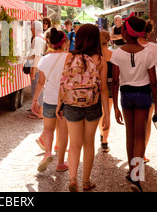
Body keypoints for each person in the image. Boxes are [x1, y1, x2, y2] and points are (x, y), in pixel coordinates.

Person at [110, 15, 157, 192]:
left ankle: (131, 171)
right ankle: (136, 177)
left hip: (126, 95)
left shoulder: (117, 53)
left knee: (129, 134)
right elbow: (154, 82)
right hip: (143, 95)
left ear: (126, 32)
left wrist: (116, 107)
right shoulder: (148, 53)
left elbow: (115, 82)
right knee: (140, 136)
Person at [56, 24, 110, 192]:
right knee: (89, 143)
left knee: (74, 144)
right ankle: (86, 181)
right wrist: (107, 115)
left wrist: (59, 104)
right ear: (95, 39)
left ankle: (73, 179)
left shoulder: (70, 57)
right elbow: (103, 90)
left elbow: (63, 81)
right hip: (92, 105)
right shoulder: (100, 60)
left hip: (71, 104)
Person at [32, 28, 69, 172]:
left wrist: (35, 101)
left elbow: (41, 82)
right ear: (64, 42)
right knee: (63, 130)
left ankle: (47, 153)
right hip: (65, 100)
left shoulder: (44, 59)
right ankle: (60, 163)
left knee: (48, 129)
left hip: (49, 99)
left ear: (51, 43)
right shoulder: (69, 57)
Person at [137, 19, 157, 163]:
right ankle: (141, 154)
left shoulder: (128, 47)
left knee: (133, 123)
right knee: (147, 122)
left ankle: (133, 154)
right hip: (149, 87)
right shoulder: (155, 48)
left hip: (130, 89)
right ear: (149, 32)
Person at [99, 30, 114, 152]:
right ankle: (104, 141)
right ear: (109, 40)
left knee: (99, 114)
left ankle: (101, 133)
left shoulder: (94, 56)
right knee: (107, 113)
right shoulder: (113, 55)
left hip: (96, 87)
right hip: (110, 86)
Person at [28, 20, 46, 119]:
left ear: (34, 28)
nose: (31, 30)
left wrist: (33, 71)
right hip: (41, 66)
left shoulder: (37, 39)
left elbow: (37, 56)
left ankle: (40, 113)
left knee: (38, 90)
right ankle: (38, 111)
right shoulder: (42, 37)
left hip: (38, 68)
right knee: (39, 90)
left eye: (31, 28)